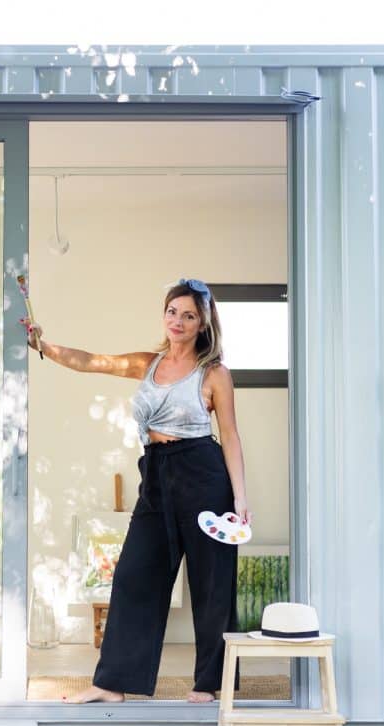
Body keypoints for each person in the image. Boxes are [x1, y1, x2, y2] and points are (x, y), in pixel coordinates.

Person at [25, 278, 249, 704]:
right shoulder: (149, 364)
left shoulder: (214, 373)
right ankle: (111, 683)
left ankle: (210, 684)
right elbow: (92, 361)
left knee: (212, 583)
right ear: (163, 316)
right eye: (172, 312)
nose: (178, 321)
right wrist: (43, 345)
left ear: (202, 323)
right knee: (133, 576)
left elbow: (231, 436)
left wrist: (239, 498)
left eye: (188, 315)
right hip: (158, 475)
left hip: (203, 474)